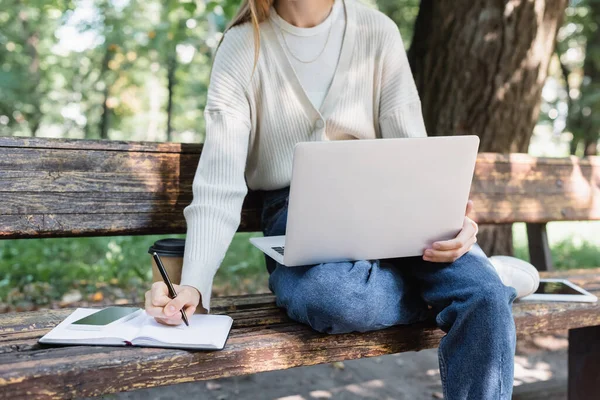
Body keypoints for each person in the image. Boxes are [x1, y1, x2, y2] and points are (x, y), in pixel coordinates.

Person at [145, 0, 539, 398]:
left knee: (484, 296)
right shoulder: (243, 46)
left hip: (393, 197)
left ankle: (481, 284)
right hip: (296, 212)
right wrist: (192, 284)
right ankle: (471, 289)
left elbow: (414, 150)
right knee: (339, 300)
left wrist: (454, 220)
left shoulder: (376, 30)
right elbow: (220, 181)